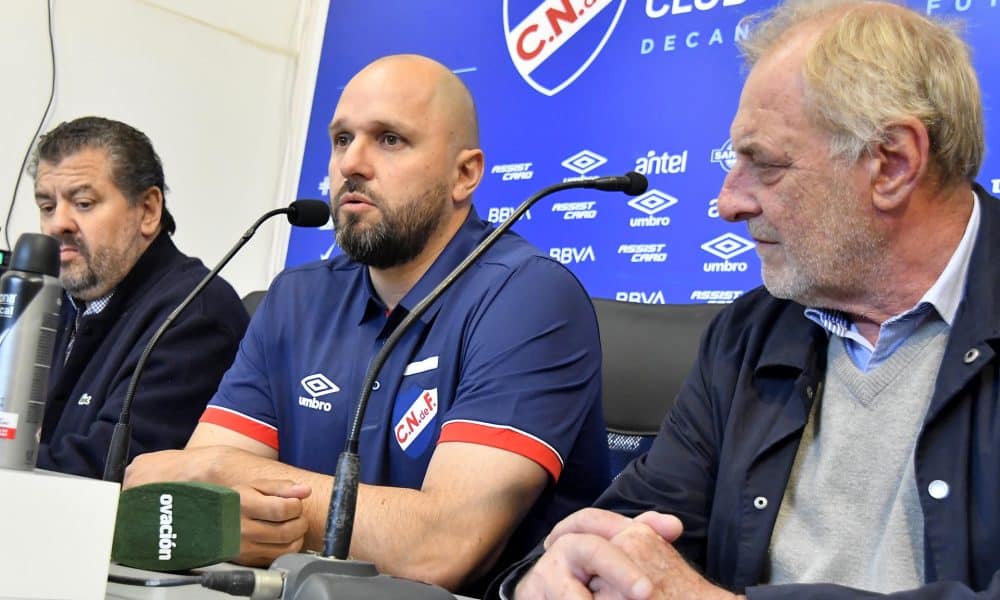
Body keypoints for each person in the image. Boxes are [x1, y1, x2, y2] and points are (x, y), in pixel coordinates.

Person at [503, 1, 1000, 598]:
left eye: (764, 165)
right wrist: (551, 573)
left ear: (891, 165)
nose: (727, 203)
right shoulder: (748, 335)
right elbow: (634, 527)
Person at [124, 54, 609, 595]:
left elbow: (442, 546)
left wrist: (232, 482)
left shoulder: (528, 296)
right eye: (340, 139)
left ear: (465, 173)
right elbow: (190, 501)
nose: (351, 163)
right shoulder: (296, 297)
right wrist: (216, 485)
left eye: (390, 140)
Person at [29, 116, 249, 478]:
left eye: (83, 203)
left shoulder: (196, 314)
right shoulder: (50, 300)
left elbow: (109, 470)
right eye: (47, 207)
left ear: (147, 210)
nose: (57, 225)